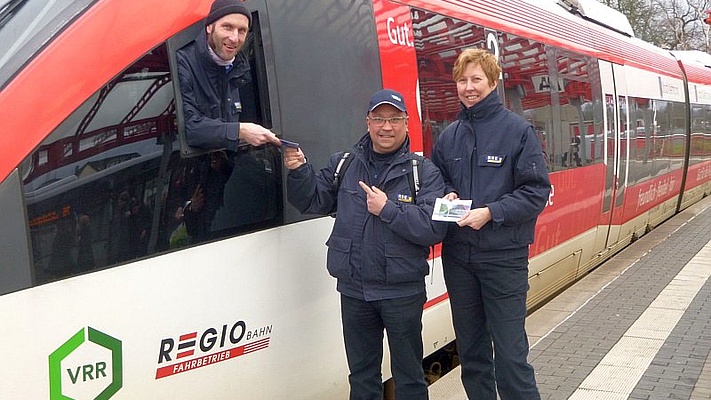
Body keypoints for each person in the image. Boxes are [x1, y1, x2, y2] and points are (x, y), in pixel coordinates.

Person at [284, 89, 447, 400]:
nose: (386, 127)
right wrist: (299, 170)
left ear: (406, 122)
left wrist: (388, 210)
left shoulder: (422, 171)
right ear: (367, 122)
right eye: (379, 119)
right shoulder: (343, 164)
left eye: (394, 119)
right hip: (355, 291)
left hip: (402, 292)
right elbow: (313, 201)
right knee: (362, 377)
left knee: (410, 376)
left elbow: (434, 227)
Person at [430, 48, 551, 400]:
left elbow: (536, 192)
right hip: (459, 259)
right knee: (472, 354)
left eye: (476, 80)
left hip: (503, 259)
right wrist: (447, 194)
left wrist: (491, 212)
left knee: (511, 357)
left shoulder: (518, 132)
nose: (469, 87)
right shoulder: (449, 136)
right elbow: (437, 180)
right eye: (462, 80)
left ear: (493, 83)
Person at [175, 0, 282, 240]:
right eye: (227, 27)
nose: (235, 38)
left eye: (242, 31)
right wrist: (241, 131)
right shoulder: (186, 62)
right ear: (209, 27)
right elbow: (191, 129)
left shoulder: (240, 67)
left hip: (224, 181)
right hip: (197, 182)